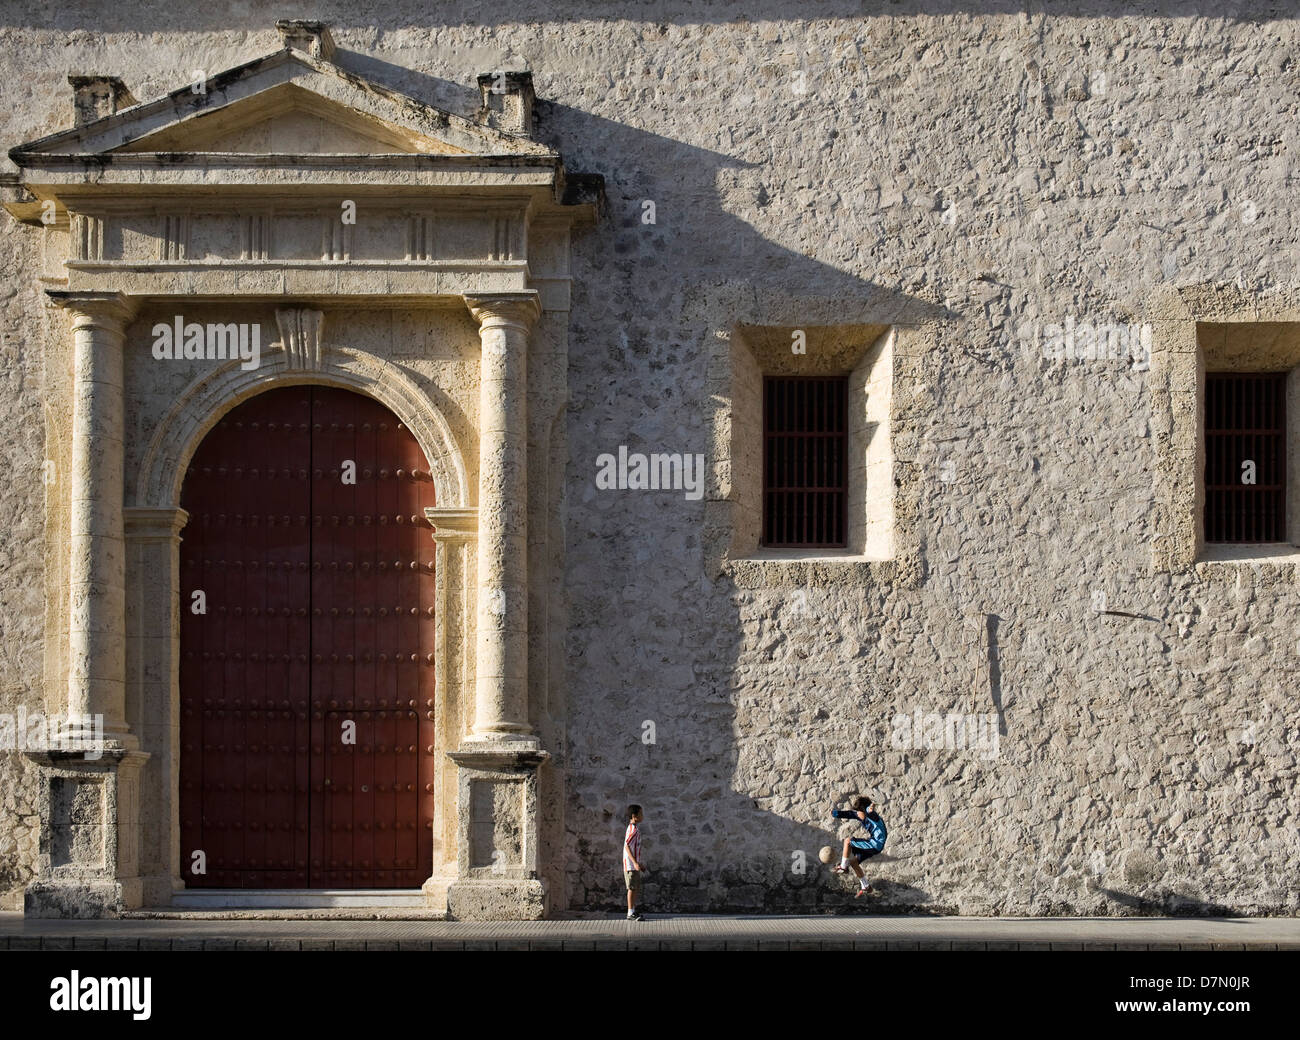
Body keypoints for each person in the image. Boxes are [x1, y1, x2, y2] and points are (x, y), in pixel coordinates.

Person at [831, 795, 887, 897]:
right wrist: (835, 813)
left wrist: (870, 808)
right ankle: (866, 886)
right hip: (875, 843)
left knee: (848, 841)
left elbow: (870, 812)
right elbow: (850, 814)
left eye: (859, 812)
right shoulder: (861, 814)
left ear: (863, 810)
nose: (857, 814)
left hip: (875, 844)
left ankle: (843, 867)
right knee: (854, 863)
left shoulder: (872, 815)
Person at [623, 803, 646, 921]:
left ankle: (633, 910)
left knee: (635, 887)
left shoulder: (635, 828)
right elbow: (626, 846)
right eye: (640, 814)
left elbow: (634, 848)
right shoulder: (633, 830)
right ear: (634, 816)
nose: (642, 816)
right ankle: (630, 912)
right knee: (631, 888)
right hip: (630, 865)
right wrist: (635, 863)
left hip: (634, 865)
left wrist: (639, 864)